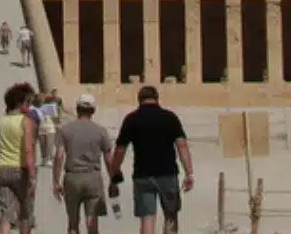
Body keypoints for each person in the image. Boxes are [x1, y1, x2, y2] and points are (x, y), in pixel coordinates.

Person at [108, 86, 195, 234]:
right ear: (157, 98)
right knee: (170, 215)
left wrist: (114, 171)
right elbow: (182, 145)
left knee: (147, 217)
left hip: (142, 175)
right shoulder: (170, 117)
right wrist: (189, 173)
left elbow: (120, 149)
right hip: (167, 174)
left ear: (139, 100)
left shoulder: (131, 119)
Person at [54, 94, 113, 234]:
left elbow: (59, 155)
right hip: (93, 178)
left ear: (77, 108)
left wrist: (56, 181)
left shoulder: (65, 130)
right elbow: (109, 158)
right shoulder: (101, 131)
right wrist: (113, 180)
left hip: (72, 177)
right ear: (93, 110)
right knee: (91, 222)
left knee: (73, 224)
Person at [0, 83, 39, 234]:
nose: (29, 107)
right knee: (25, 212)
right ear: (20, 103)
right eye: (28, 102)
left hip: (1, 168)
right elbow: (28, 149)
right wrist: (32, 176)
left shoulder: (0, 121)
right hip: (20, 170)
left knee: (6, 214)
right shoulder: (26, 122)